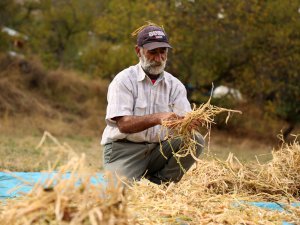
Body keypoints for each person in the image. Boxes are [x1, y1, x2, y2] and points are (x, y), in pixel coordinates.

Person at [101, 24, 204, 184]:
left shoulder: (175, 85)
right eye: (152, 52)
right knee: (120, 195)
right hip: (124, 150)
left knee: (195, 139)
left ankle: (160, 184)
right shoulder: (124, 80)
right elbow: (123, 125)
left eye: (162, 52)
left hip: (159, 150)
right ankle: (134, 178)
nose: (158, 58)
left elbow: (183, 125)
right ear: (138, 51)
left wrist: (190, 123)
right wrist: (157, 118)